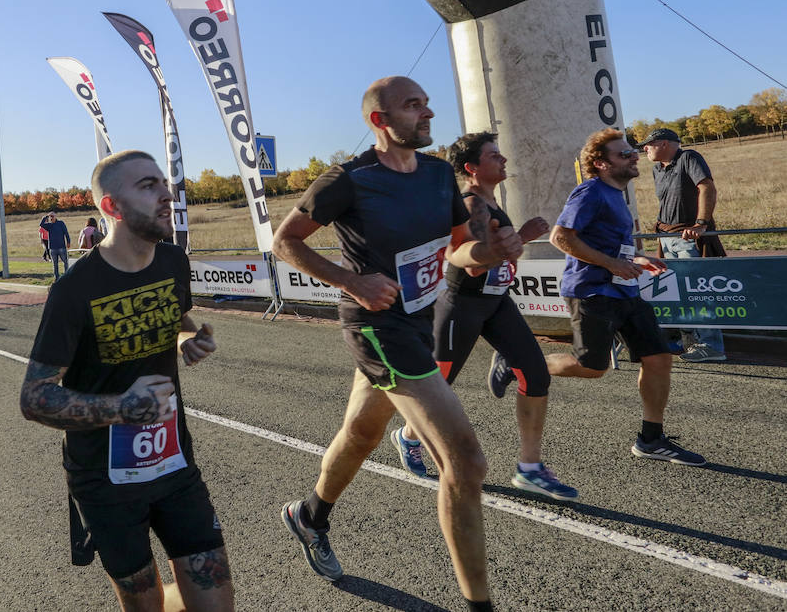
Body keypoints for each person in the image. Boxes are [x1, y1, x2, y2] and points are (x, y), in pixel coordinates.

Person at [270, 76, 521, 612]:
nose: (428, 113)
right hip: (375, 326)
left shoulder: (436, 175)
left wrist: (491, 253)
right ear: (380, 121)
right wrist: (349, 280)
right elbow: (284, 241)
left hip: (417, 321)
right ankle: (480, 605)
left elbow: (459, 251)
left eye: (428, 104)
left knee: (361, 434)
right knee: (467, 462)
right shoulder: (348, 178)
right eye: (414, 106)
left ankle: (309, 515)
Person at [20, 150, 231, 612]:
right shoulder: (74, 291)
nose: (166, 194)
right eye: (148, 185)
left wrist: (185, 341)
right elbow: (35, 398)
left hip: (174, 463)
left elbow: (177, 318)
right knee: (146, 605)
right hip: (104, 479)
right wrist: (122, 407)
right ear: (112, 208)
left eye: (164, 182)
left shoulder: (173, 262)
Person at [393, 132, 577, 501]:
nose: (503, 159)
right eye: (494, 156)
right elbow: (475, 266)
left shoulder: (492, 204)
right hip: (463, 303)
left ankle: (530, 468)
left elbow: (502, 257)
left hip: (497, 302)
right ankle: (408, 436)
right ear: (471, 168)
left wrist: (515, 241)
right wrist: (522, 236)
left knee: (536, 375)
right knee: (439, 386)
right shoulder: (470, 205)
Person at [547, 128, 706, 466]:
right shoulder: (589, 192)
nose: (634, 155)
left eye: (633, 151)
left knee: (659, 357)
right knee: (592, 368)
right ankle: (521, 361)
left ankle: (651, 439)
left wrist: (636, 259)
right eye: (624, 154)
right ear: (601, 163)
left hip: (624, 291)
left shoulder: (615, 194)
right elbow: (560, 237)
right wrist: (612, 265)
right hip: (592, 291)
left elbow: (612, 246)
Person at [639, 127, 727, 362]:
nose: (645, 148)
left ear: (665, 143)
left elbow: (707, 187)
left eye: (649, 144)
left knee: (700, 291)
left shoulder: (689, 157)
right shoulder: (657, 169)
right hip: (667, 238)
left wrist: (701, 224)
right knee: (680, 293)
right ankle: (690, 341)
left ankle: (712, 345)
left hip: (689, 238)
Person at [41, 211, 73, 280]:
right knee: (55, 264)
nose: (51, 218)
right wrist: (46, 216)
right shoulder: (49, 225)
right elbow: (41, 224)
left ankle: (66, 276)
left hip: (62, 247)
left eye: (52, 216)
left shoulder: (61, 223)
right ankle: (57, 278)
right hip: (52, 248)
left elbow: (66, 232)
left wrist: (68, 241)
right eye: (50, 217)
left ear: (56, 216)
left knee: (65, 262)